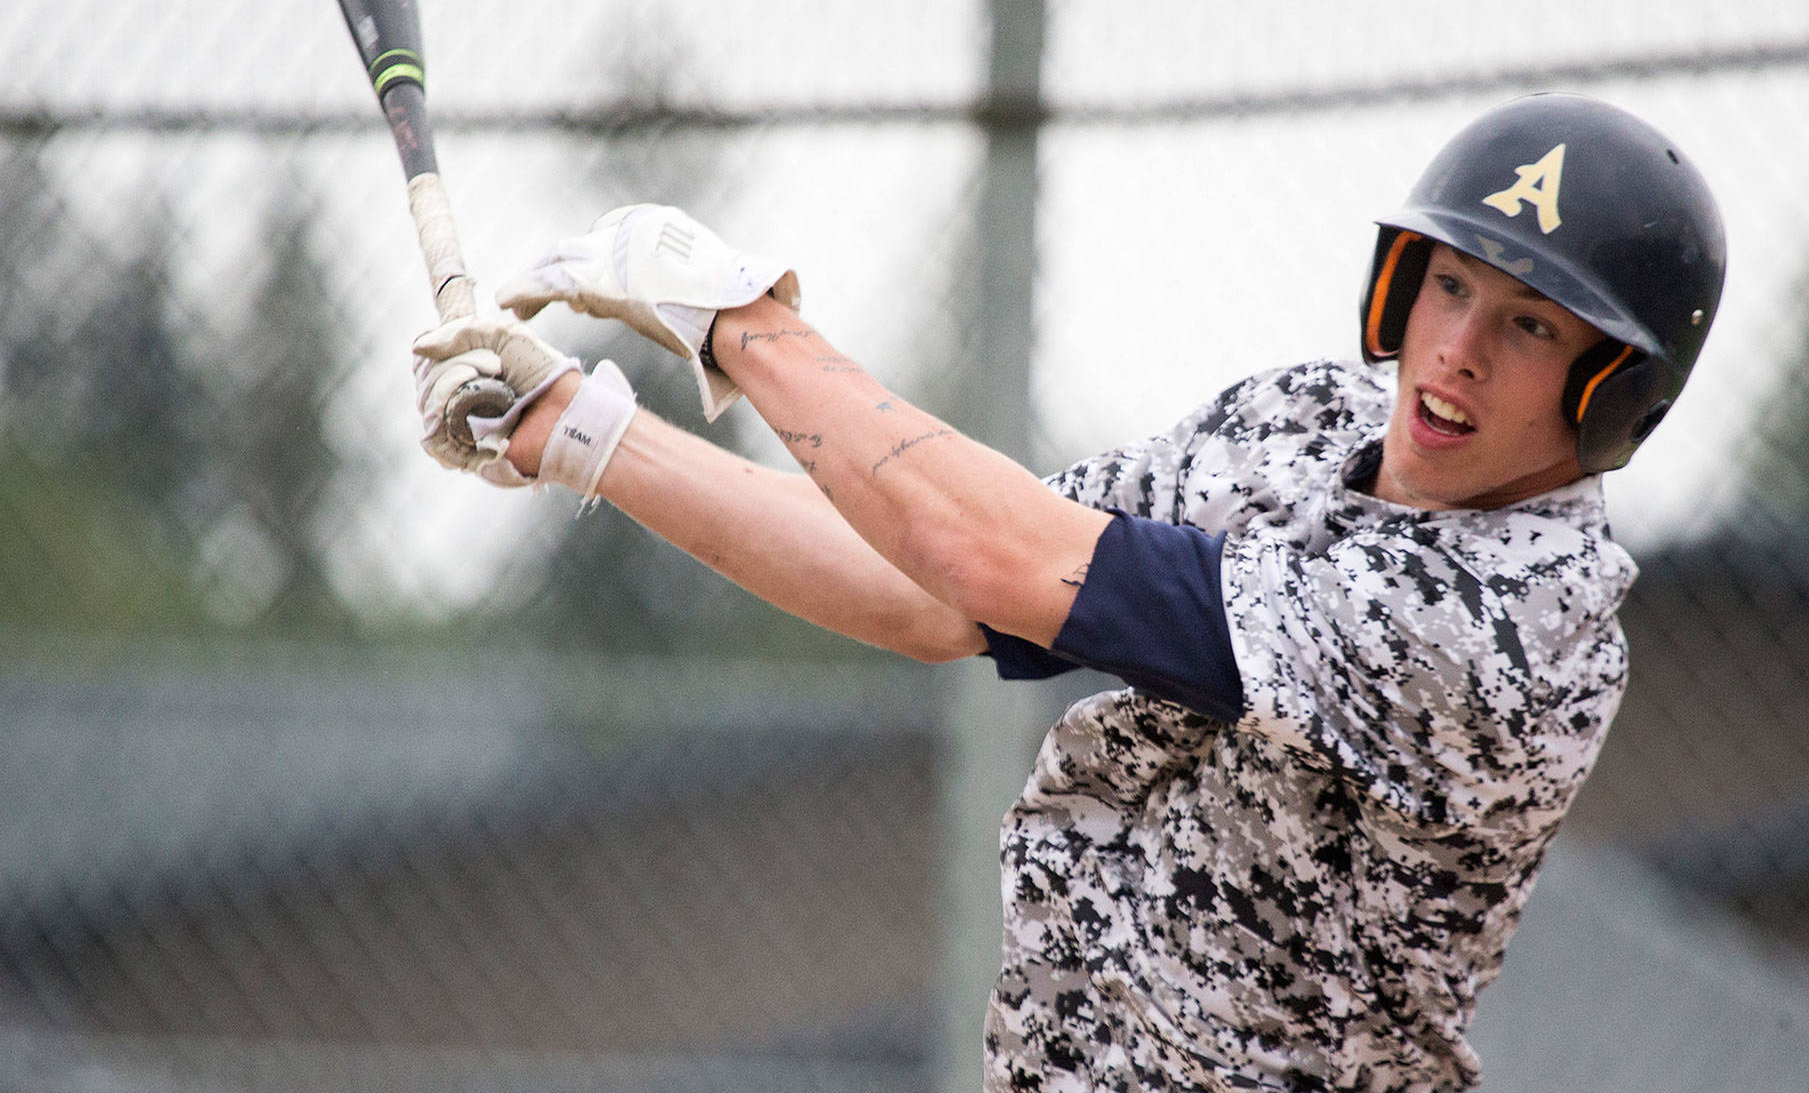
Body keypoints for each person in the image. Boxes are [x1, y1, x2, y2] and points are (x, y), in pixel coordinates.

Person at [412, 91, 1727, 1091]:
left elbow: (1004, 558)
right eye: (1450, 286)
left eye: (1532, 327)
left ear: (1613, 393)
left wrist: (743, 323)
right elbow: (936, 582)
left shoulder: (1508, 622)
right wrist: (583, 434)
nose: (1456, 351)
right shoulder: (1304, 423)